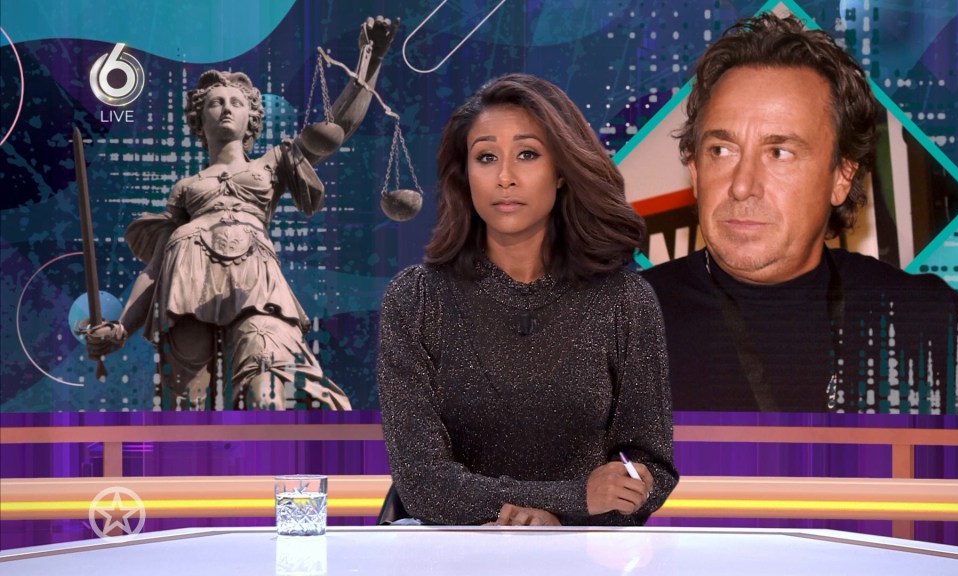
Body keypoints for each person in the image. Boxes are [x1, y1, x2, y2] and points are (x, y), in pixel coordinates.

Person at [642, 12, 958, 414]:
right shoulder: (618, 329)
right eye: (721, 150)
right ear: (695, 170)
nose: (742, 185)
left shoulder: (930, 325)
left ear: (841, 176)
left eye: (779, 153)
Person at [376, 73, 678, 526]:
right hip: (450, 552)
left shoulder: (624, 301)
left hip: (583, 553)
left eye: (527, 154)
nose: (505, 177)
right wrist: (572, 499)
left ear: (561, 171)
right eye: (486, 157)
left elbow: (650, 467)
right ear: (465, 175)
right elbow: (423, 483)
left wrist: (571, 519)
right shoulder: (416, 300)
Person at [85, 17, 399, 410]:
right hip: (186, 280)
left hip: (256, 281)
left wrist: (371, 60)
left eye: (236, 102)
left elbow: (336, 129)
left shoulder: (274, 162)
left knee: (268, 386)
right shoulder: (185, 187)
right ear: (199, 118)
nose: (226, 108)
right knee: (186, 405)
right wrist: (120, 328)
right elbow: (154, 269)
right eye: (215, 102)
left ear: (252, 116)